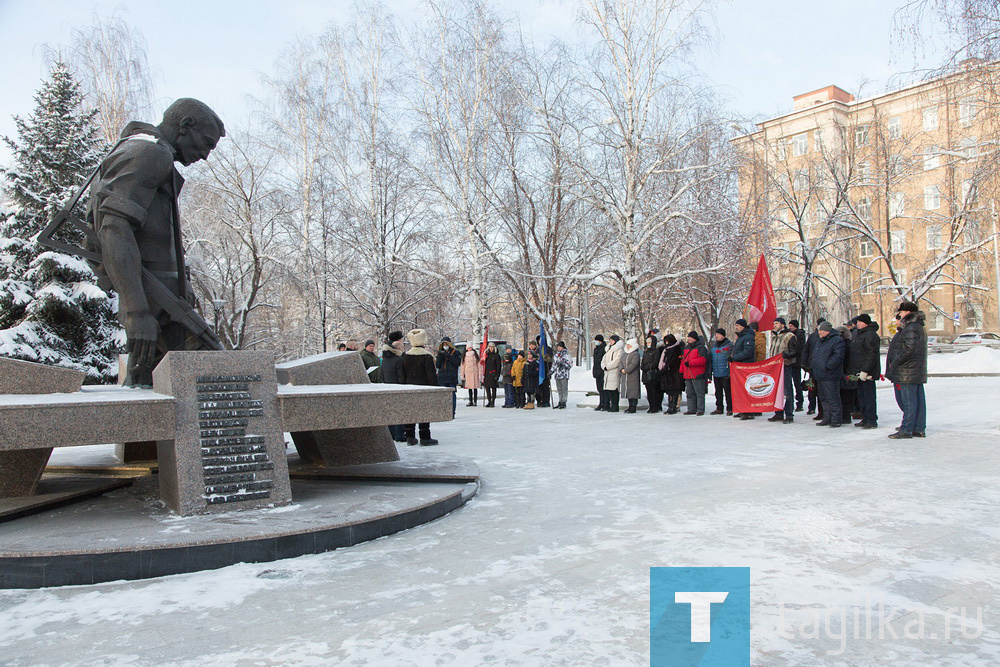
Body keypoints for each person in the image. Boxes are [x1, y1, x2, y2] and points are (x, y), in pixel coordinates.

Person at [90, 98, 225, 387]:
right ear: (185, 126)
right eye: (206, 142)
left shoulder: (142, 150)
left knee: (154, 389)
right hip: (155, 302)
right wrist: (137, 311)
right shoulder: (149, 154)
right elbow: (113, 228)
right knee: (218, 378)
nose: (204, 155)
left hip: (162, 298)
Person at [885, 301, 928, 439]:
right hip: (914, 370)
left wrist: (896, 361)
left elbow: (909, 349)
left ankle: (907, 429)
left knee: (909, 401)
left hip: (908, 371)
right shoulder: (918, 326)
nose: (900, 315)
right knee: (918, 401)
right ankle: (918, 428)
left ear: (908, 312)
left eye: (901, 312)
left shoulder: (911, 327)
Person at [399, 329, 439, 446]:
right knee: (424, 412)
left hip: (409, 388)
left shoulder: (405, 356)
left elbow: (402, 375)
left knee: (411, 412)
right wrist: (435, 389)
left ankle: (410, 437)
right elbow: (431, 376)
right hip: (424, 388)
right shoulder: (426, 357)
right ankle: (425, 437)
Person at [811, 321, 846, 427]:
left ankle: (836, 419)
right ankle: (827, 417)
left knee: (832, 397)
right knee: (823, 398)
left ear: (827, 331)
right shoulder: (820, 341)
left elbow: (838, 356)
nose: (819, 332)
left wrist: (827, 366)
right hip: (819, 374)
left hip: (830, 374)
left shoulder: (837, 341)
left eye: (821, 330)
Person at [849, 314, 881, 429]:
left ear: (866, 323)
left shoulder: (871, 335)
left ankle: (871, 420)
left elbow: (871, 354)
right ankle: (865, 418)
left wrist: (865, 370)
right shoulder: (857, 334)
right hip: (858, 371)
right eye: (857, 322)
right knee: (861, 396)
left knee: (869, 397)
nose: (858, 324)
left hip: (867, 372)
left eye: (860, 322)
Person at [767, 318, 798, 424]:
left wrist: (787, 355)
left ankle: (789, 414)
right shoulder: (775, 336)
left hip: (785, 366)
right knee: (777, 391)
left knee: (787, 391)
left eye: (776, 323)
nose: (774, 325)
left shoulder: (790, 336)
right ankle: (778, 412)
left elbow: (795, 352)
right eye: (774, 323)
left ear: (783, 325)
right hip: (775, 368)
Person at [381, 331, 407, 442]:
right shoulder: (399, 360)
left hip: (387, 387)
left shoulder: (385, 359)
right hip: (398, 387)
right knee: (400, 412)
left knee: (390, 412)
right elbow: (401, 376)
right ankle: (399, 434)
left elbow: (381, 374)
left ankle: (391, 434)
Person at [729, 319, 756, 420]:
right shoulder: (740, 337)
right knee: (740, 389)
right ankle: (742, 409)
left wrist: (735, 358)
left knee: (746, 389)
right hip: (739, 367)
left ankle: (748, 411)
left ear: (743, 326)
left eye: (738, 325)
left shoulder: (748, 336)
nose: (736, 327)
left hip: (746, 366)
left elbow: (748, 351)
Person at [680, 331, 709, 415]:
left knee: (699, 393)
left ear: (695, 339)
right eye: (688, 337)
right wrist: (681, 370)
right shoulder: (686, 348)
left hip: (698, 374)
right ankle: (691, 409)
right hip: (688, 374)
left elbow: (702, 360)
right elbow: (683, 360)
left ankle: (700, 409)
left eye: (690, 337)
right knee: (689, 393)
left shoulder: (701, 348)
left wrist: (691, 363)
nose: (688, 339)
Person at [802, 318, 825, 416]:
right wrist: (804, 363)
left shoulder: (825, 337)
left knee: (819, 390)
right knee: (812, 388)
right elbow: (806, 350)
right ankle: (813, 408)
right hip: (812, 366)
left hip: (821, 367)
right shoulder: (812, 337)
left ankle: (820, 411)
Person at [436, 336, 462, 417]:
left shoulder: (456, 352)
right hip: (442, 378)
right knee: (443, 396)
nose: (445, 345)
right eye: (443, 344)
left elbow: (457, 363)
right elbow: (438, 365)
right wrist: (441, 356)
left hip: (451, 378)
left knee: (452, 395)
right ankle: (443, 412)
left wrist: (448, 356)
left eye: (446, 344)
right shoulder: (440, 353)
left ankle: (452, 412)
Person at [709, 328, 733, 416]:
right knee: (718, 392)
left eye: (718, 334)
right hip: (716, 372)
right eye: (716, 334)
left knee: (727, 392)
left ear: (723, 335)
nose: (716, 336)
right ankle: (719, 408)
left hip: (725, 372)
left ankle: (730, 408)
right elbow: (710, 359)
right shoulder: (714, 347)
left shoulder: (729, 345)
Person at [836, 326, 856, 425]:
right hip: (847, 372)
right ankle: (847, 415)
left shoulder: (844, 345)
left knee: (844, 395)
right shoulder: (849, 344)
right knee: (847, 395)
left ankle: (846, 416)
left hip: (845, 372)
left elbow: (845, 360)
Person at [659, 334, 684, 414]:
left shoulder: (676, 348)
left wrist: (667, 367)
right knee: (669, 390)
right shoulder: (666, 349)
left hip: (674, 372)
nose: (666, 343)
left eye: (668, 341)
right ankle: (670, 406)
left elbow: (674, 360)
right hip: (668, 372)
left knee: (674, 390)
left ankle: (673, 406)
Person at [641, 334, 664, 413]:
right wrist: (643, 367)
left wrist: (648, 367)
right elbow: (643, 361)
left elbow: (655, 363)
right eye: (647, 342)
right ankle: (651, 406)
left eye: (650, 342)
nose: (648, 344)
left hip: (653, 374)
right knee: (649, 392)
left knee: (654, 391)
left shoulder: (656, 351)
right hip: (646, 374)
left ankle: (655, 406)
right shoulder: (646, 351)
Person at [601, 335, 625, 412]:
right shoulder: (608, 350)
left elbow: (617, 361)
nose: (610, 342)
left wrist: (608, 366)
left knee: (614, 390)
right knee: (609, 390)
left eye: (612, 340)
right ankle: (612, 405)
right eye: (610, 340)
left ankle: (615, 406)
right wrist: (604, 366)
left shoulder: (619, 350)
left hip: (614, 372)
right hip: (607, 372)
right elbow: (603, 359)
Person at [788, 319, 806, 411]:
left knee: (797, 383)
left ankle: (800, 402)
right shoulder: (789, 334)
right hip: (790, 362)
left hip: (796, 362)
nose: (790, 327)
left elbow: (799, 349)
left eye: (791, 325)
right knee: (789, 384)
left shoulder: (799, 335)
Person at [621, 338, 641, 413]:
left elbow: (634, 364)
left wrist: (626, 370)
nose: (628, 346)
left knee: (633, 392)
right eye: (627, 345)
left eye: (629, 345)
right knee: (628, 391)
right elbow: (621, 361)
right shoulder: (625, 353)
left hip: (633, 375)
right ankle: (630, 406)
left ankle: (633, 407)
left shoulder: (635, 354)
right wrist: (621, 369)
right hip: (625, 375)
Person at [460, 342, 482, 406]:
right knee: (469, 388)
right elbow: (462, 366)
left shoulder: (475, 355)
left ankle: (475, 401)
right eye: (468, 348)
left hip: (475, 373)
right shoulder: (464, 356)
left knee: (475, 388)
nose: (469, 349)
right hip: (468, 373)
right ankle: (470, 401)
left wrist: (480, 374)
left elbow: (479, 365)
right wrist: (462, 374)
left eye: (470, 348)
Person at [552, 341, 572, 409]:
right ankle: (560, 401)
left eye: (560, 346)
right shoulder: (556, 355)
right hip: (557, 375)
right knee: (559, 389)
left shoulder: (566, 355)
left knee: (564, 389)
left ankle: (564, 401)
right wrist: (551, 372)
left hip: (564, 374)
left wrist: (563, 364)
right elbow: (554, 365)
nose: (559, 348)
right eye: (558, 346)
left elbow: (570, 365)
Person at [482, 342, 502, 408]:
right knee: (487, 388)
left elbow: (498, 366)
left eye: (492, 347)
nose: (491, 348)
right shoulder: (487, 355)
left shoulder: (497, 356)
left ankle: (493, 402)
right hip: (487, 374)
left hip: (493, 374)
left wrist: (497, 375)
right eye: (490, 347)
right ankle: (489, 401)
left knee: (493, 388)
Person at [592, 335, 608, 411]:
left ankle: (605, 403)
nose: (596, 342)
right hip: (597, 371)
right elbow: (595, 362)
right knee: (599, 389)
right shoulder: (596, 349)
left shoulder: (604, 348)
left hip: (602, 371)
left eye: (597, 341)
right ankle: (601, 403)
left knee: (603, 388)